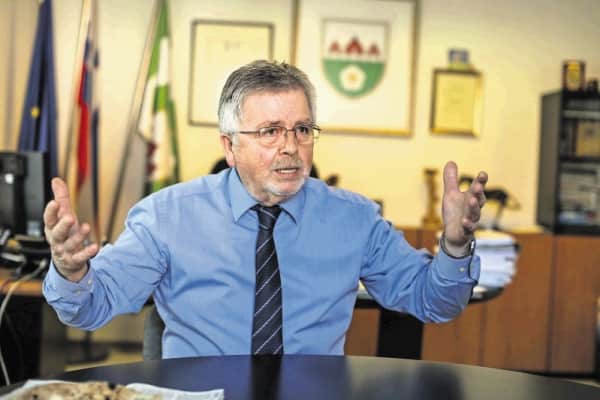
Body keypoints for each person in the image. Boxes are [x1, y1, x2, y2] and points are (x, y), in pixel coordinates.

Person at [42, 60, 488, 358]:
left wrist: (454, 246)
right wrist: (71, 271)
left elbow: (433, 302)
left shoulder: (355, 220)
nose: (290, 147)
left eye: (302, 129)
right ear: (229, 146)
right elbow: (91, 307)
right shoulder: (166, 217)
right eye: (270, 131)